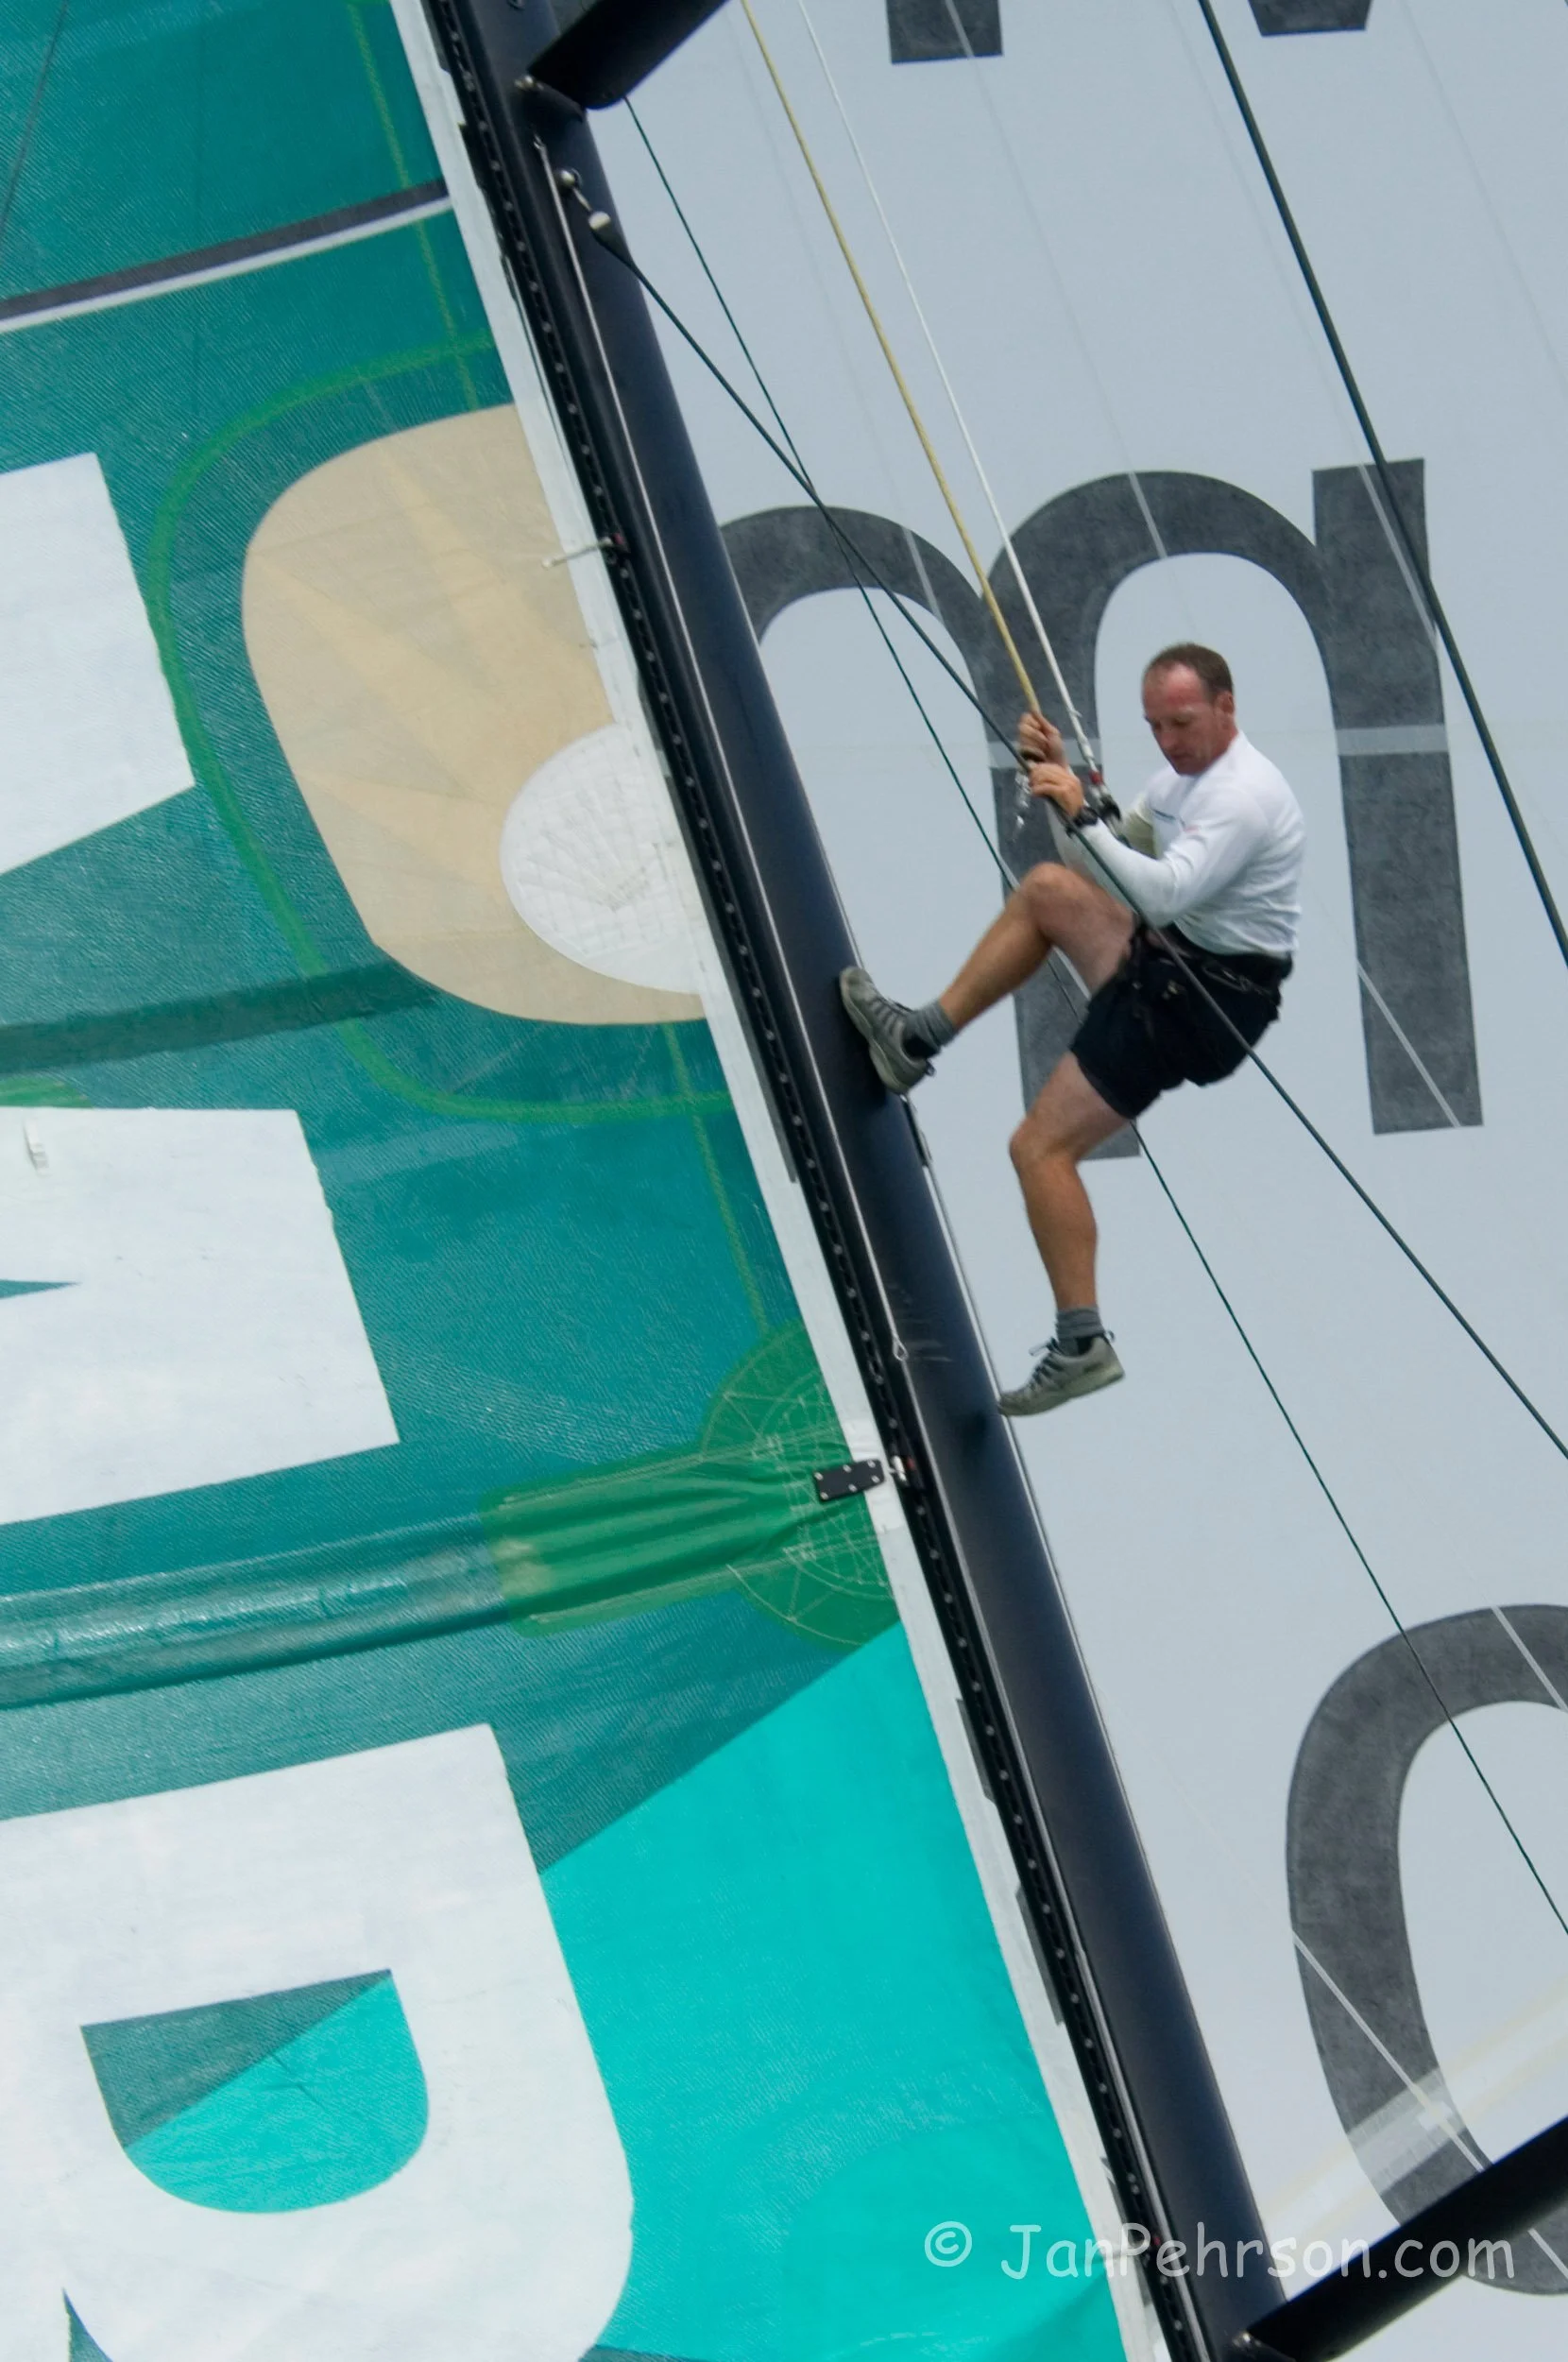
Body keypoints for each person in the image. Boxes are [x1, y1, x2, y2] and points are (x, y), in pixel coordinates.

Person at [840, 642, 1305, 1415]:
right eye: (1155, 726)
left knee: (1038, 1148)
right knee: (1051, 891)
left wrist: (1085, 812)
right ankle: (913, 1040)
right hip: (1172, 964)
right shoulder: (1178, 784)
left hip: (1196, 1005)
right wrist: (1064, 792)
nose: (1168, 741)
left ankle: (1081, 1342)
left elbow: (1160, 894)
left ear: (1228, 707)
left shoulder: (1243, 798)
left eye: (1183, 722)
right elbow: (1095, 864)